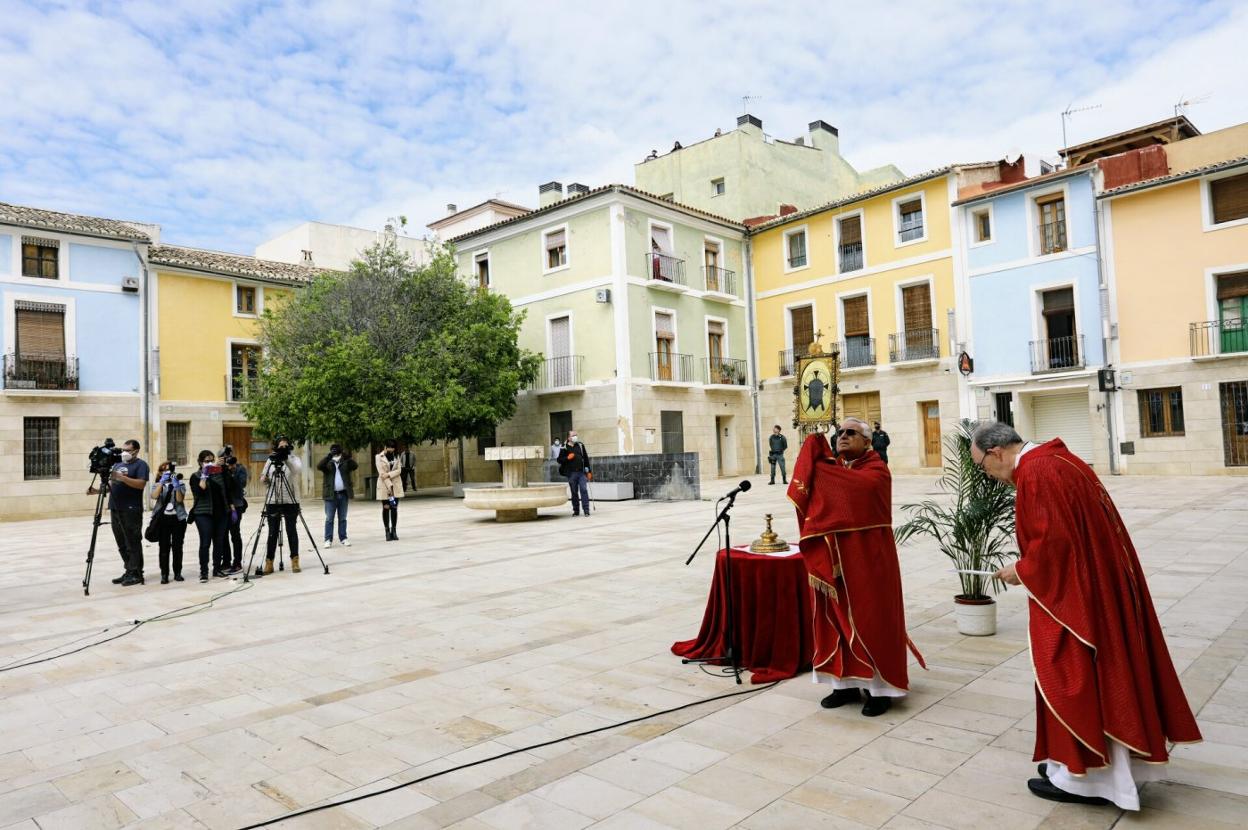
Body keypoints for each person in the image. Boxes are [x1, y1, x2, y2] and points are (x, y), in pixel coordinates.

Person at [973, 422, 1202, 810]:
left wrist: (1022, 570)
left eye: (982, 466)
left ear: (996, 453)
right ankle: (1074, 766)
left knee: (1073, 676)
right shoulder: (1057, 459)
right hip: (1098, 585)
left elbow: (1056, 545)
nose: (988, 476)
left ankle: (1092, 780)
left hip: (1079, 598)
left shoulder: (1038, 472)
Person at [787, 417, 924, 717]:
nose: (843, 437)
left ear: (867, 441)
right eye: (840, 433)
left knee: (871, 620)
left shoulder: (876, 470)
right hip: (834, 560)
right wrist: (817, 456)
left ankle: (880, 689)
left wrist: (817, 458)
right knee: (835, 621)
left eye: (851, 433)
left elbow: (851, 490)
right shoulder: (836, 468)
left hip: (867, 559)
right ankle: (843, 684)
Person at [88, 438, 150, 586]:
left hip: (131, 509)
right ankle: (128, 570)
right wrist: (96, 491)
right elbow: (111, 485)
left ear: (136, 451)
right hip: (115, 508)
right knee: (121, 542)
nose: (125, 453)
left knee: (132, 541)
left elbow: (141, 484)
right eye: (123, 450)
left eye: (128, 450)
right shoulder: (117, 464)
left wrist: (122, 477)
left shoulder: (141, 465)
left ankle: (136, 573)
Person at [189, 449, 236, 582]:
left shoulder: (219, 473)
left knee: (219, 542)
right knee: (205, 543)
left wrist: (225, 469)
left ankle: (217, 569)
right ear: (200, 462)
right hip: (203, 513)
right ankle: (204, 572)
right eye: (206, 461)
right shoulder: (196, 476)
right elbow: (199, 492)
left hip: (221, 513)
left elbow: (229, 489)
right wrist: (205, 475)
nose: (209, 463)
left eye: (211, 460)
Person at [261, 436, 303, 573]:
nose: (283, 448)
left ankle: (295, 561)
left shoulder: (294, 459)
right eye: (281, 446)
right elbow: (263, 477)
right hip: (273, 499)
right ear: (276, 447)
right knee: (272, 532)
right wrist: (265, 479)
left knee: (291, 530)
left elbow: (296, 471)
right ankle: (269, 562)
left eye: (286, 446)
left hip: (290, 500)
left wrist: (285, 459)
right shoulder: (271, 459)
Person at [152, 461, 187, 584]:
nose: (167, 473)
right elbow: (154, 496)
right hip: (163, 519)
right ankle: (164, 574)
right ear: (160, 473)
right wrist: (162, 483)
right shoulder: (157, 484)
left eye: (170, 471)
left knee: (178, 547)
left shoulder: (180, 482)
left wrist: (176, 485)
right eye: (164, 471)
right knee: (164, 547)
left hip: (178, 518)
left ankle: (178, 573)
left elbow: (179, 499)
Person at [317, 443, 357, 547]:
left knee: (342, 518)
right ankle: (328, 539)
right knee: (329, 518)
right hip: (331, 495)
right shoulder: (328, 462)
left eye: (337, 451)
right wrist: (328, 457)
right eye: (333, 451)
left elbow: (355, 466)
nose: (335, 453)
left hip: (343, 494)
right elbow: (319, 466)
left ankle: (343, 538)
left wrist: (347, 457)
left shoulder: (345, 462)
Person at [223, 450, 248, 574]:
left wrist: (232, 473)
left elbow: (241, 485)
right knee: (223, 534)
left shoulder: (240, 469)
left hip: (236, 505)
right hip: (224, 505)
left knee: (235, 533)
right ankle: (226, 561)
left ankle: (237, 562)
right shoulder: (221, 469)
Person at [558, 430, 592, 517]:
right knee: (574, 492)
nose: (575, 437)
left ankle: (586, 510)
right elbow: (559, 460)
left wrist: (589, 471)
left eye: (576, 435)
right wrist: (567, 458)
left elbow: (586, 458)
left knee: (584, 490)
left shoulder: (580, 445)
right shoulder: (564, 447)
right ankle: (576, 511)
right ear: (569, 437)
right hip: (571, 473)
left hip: (581, 473)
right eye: (573, 435)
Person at [376, 439, 404, 541]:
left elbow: (399, 470)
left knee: (394, 508)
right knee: (386, 508)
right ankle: (387, 531)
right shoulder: (379, 457)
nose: (391, 449)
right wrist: (389, 486)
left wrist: (389, 474)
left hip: (395, 486)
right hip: (385, 486)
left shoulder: (397, 456)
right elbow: (381, 474)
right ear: (385, 447)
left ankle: (394, 531)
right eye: (389, 447)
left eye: (393, 448)